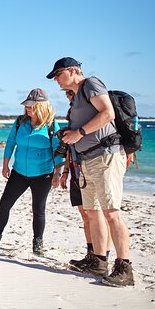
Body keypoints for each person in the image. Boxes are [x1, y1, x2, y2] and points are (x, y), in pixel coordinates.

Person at [48, 57, 134, 286]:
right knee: (93, 211)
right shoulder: (77, 98)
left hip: (105, 156)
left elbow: (108, 114)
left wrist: (80, 133)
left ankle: (124, 267)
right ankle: (98, 260)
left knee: (111, 212)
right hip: (86, 160)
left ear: (73, 70)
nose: (56, 79)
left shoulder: (91, 84)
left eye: (58, 74)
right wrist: (71, 133)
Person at [0, 88, 63, 255]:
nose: (28, 108)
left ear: (42, 107)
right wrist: (5, 165)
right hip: (19, 172)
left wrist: (57, 174)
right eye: (27, 105)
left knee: (38, 208)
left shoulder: (51, 125)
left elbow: (58, 151)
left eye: (31, 106)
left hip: (43, 174)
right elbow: (10, 143)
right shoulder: (20, 122)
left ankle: (37, 244)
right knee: (5, 204)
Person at [54, 89, 113, 265]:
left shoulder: (91, 117)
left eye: (72, 94)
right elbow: (70, 150)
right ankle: (91, 254)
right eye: (67, 95)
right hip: (76, 171)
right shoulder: (74, 117)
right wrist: (65, 172)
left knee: (101, 214)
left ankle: (103, 255)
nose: (70, 97)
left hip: (95, 166)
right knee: (86, 214)